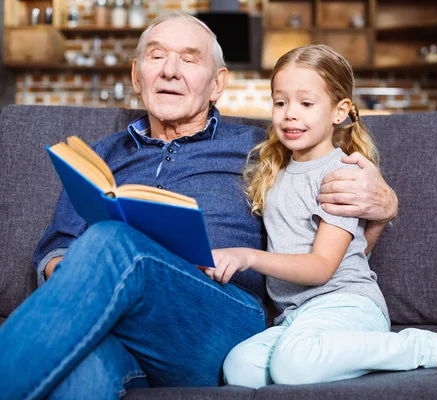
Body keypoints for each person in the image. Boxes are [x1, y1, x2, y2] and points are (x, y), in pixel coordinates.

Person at [0, 12, 398, 400]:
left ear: (217, 83)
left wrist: (384, 207)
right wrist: (83, 275)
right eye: (156, 57)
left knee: (111, 239)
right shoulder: (101, 154)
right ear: (136, 75)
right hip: (117, 323)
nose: (170, 70)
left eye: (189, 59)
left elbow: (327, 244)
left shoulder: (264, 150)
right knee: (81, 377)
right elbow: (57, 247)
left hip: (216, 320)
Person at [201, 44, 437, 389]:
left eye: (306, 103)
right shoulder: (276, 170)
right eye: (281, 102)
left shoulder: (341, 174)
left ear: (339, 112)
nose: (290, 114)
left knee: (294, 363)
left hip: (348, 305)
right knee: (239, 367)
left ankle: (426, 346)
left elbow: (322, 267)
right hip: (296, 317)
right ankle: (323, 354)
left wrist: (248, 256)